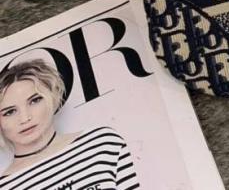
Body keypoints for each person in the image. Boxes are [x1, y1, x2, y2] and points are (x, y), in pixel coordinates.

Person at [0, 59, 139, 189]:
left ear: (53, 97)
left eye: (35, 100)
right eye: (9, 112)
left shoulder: (101, 143)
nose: (25, 118)